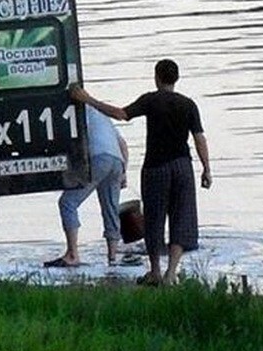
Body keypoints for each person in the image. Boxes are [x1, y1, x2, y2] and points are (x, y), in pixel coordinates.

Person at [70, 59, 212, 285]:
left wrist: (88, 100)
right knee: (181, 217)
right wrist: (206, 169)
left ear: (156, 77)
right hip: (183, 167)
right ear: (176, 79)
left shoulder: (150, 100)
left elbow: (120, 114)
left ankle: (155, 271)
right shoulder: (189, 104)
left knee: (154, 219)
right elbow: (199, 138)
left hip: (156, 167)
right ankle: (171, 273)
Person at [43, 104, 128, 267]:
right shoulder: (101, 115)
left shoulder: (74, 112)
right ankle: (112, 257)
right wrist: (124, 172)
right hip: (116, 160)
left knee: (67, 203)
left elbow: (69, 143)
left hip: (98, 158)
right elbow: (123, 144)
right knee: (110, 209)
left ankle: (73, 254)